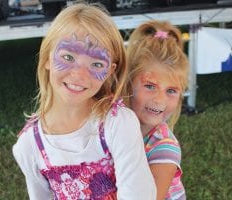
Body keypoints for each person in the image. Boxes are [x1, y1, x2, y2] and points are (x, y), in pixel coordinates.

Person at [12, 3, 156, 200]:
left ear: (110, 72)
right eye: (68, 56)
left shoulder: (118, 124)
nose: (79, 74)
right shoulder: (29, 145)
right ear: (46, 58)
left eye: (96, 64)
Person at [126, 20, 189, 200]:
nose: (160, 99)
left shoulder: (164, 148)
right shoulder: (113, 123)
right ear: (128, 84)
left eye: (171, 91)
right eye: (150, 86)